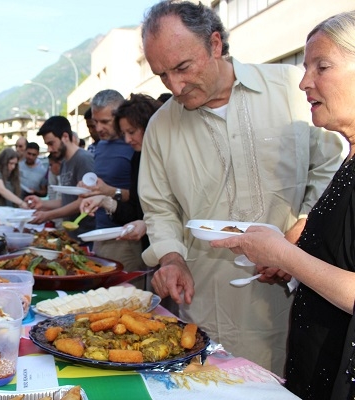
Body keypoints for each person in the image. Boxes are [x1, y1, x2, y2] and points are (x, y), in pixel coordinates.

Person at [138, 0, 343, 375]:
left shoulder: (290, 91)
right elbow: (159, 207)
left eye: (183, 67)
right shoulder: (161, 126)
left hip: (296, 298)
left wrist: (303, 227)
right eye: (162, 75)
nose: (175, 86)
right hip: (208, 306)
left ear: (215, 44)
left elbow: (331, 165)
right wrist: (171, 258)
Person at [210, 11, 355, 399]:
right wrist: (287, 262)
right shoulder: (348, 159)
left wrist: (285, 255)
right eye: (305, 67)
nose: (305, 82)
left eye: (321, 66)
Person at [80, 93, 160, 254]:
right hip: (127, 234)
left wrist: (109, 192)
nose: (128, 140)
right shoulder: (136, 155)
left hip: (141, 243)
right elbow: (135, 208)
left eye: (131, 132)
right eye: (95, 122)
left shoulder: (151, 154)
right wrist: (103, 200)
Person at [26, 116, 95, 238]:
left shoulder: (83, 159)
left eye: (51, 143)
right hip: (72, 236)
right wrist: (42, 204)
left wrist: (48, 215)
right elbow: (67, 200)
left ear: (65, 137)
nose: (49, 149)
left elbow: (83, 202)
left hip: (86, 235)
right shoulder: (65, 163)